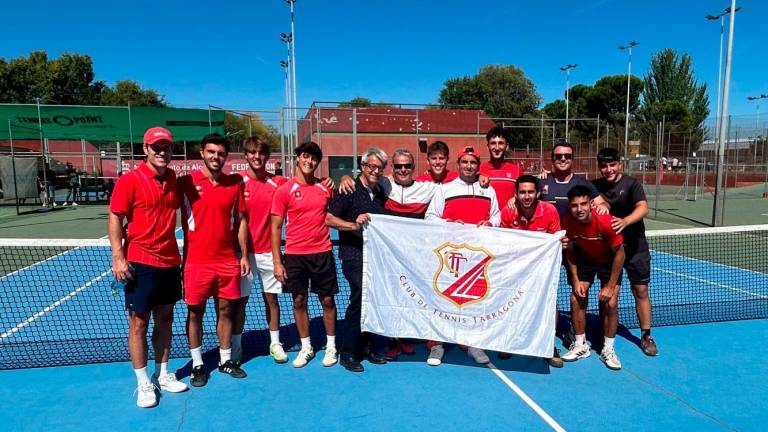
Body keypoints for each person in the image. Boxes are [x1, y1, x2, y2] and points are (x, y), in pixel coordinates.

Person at [107, 126, 188, 408]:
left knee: (165, 319)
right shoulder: (129, 181)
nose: (162, 152)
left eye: (167, 147)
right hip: (140, 262)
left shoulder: (174, 179)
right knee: (139, 323)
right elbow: (115, 217)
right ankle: (143, 383)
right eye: (156, 147)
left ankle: (162, 373)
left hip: (169, 262)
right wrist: (118, 257)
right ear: (145, 149)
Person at [177, 133, 250, 387]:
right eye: (211, 152)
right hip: (196, 262)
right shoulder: (185, 182)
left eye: (220, 153)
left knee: (226, 310)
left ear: (226, 156)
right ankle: (198, 364)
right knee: (195, 312)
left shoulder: (234, 183)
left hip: (227, 260)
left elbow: (241, 222)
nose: (215, 157)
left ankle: (225, 359)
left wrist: (242, 255)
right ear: (202, 153)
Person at [270, 141, 347, 369]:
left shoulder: (325, 187)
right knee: (299, 300)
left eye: (313, 159)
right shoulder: (284, 190)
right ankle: (307, 347)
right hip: (294, 255)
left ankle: (331, 346)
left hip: (322, 252)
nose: (309, 161)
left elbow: (340, 205)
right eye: (305, 156)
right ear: (297, 158)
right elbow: (275, 227)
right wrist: (277, 261)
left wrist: (342, 178)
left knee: (327, 300)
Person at [424, 146, 501, 366]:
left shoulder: (489, 190)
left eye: (473, 162)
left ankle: (473, 344)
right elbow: (430, 217)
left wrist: (489, 223)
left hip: (478, 258)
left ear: (478, 166)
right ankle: (437, 345)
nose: (469, 166)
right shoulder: (444, 189)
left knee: (475, 301)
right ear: (458, 165)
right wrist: (448, 224)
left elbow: (497, 216)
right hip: (449, 259)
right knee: (442, 299)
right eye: (465, 162)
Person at [328, 147, 390, 372]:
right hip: (353, 256)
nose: (375, 171)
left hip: (376, 258)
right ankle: (348, 351)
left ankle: (368, 348)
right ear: (362, 167)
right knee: (360, 297)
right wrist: (353, 225)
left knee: (374, 299)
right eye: (371, 166)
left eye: (379, 167)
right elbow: (328, 218)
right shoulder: (349, 189)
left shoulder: (381, 192)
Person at [592, 148, 658, 356]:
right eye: (604, 165)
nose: (608, 169)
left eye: (612, 165)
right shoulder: (595, 186)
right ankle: (605, 332)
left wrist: (625, 221)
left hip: (636, 248)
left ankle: (646, 335)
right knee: (610, 295)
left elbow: (643, 208)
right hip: (610, 250)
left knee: (641, 291)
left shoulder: (632, 184)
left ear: (619, 164)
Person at [499, 174, 564, 367]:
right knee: (512, 304)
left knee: (549, 305)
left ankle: (548, 344)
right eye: (522, 192)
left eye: (530, 192)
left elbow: (556, 240)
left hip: (542, 271)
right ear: (516, 194)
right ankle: (508, 343)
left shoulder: (550, 211)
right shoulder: (508, 212)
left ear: (537, 193)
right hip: (516, 269)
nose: (526, 196)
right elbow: (502, 241)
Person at [561, 185, 625, 371]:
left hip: (610, 262)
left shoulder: (605, 221)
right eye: (574, 205)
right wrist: (575, 280)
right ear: (570, 206)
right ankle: (581, 345)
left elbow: (620, 254)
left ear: (591, 204)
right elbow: (571, 251)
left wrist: (610, 286)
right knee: (576, 298)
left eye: (583, 204)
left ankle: (608, 349)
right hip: (586, 260)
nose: (579, 209)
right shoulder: (568, 221)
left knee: (611, 303)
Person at [239, 136, 289, 364]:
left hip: (270, 253)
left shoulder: (278, 183)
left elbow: (306, 183)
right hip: (243, 256)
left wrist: (332, 180)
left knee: (272, 301)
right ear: (246, 155)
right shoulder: (237, 182)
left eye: (260, 153)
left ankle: (275, 343)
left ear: (267, 156)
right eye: (252, 152)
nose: (256, 157)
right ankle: (236, 345)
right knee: (239, 302)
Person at [538, 141, 607, 218]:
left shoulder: (583, 183)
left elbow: (602, 203)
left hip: (574, 229)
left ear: (572, 159)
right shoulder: (541, 181)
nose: (563, 159)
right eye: (558, 156)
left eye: (567, 156)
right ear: (552, 159)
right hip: (547, 230)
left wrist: (603, 206)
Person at [479, 126, 521, 206]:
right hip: (487, 218)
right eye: (493, 143)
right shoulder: (479, 170)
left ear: (507, 146)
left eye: (501, 143)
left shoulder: (517, 170)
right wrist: (478, 176)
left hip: (509, 217)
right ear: (488, 146)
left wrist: (516, 198)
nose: (497, 148)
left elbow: (526, 192)